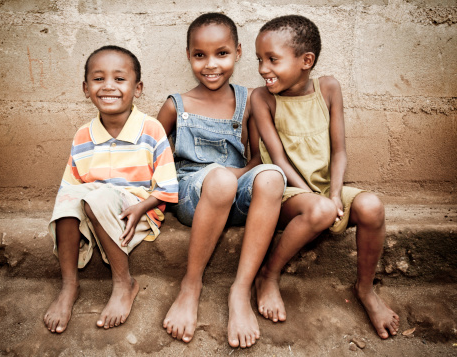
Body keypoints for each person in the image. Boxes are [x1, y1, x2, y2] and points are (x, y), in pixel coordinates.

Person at [251, 15, 400, 339]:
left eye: (272, 59)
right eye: (259, 59)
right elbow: (278, 159)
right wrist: (318, 199)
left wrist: (334, 195)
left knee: (372, 207)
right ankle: (269, 275)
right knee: (318, 210)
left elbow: (339, 151)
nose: (263, 68)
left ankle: (365, 290)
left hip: (324, 189)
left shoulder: (329, 88)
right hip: (288, 190)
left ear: (306, 61)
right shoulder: (262, 98)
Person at [157, 13, 286, 349]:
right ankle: (191, 286)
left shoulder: (248, 101)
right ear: (189, 56)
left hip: (235, 192)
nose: (210, 64)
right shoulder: (176, 106)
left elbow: (257, 160)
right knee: (218, 181)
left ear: (239, 52)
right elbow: (154, 161)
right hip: (192, 195)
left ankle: (240, 290)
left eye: (222, 53)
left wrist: (232, 175)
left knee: (272, 176)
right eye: (200, 55)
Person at [44, 45, 178, 334]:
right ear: (85, 87)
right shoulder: (83, 135)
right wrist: (77, 204)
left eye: (119, 79)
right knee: (68, 199)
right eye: (98, 78)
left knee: (97, 197)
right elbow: (72, 187)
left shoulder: (151, 129)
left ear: (137, 88)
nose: (108, 86)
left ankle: (123, 283)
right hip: (94, 209)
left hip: (138, 212)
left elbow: (168, 188)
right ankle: (69, 285)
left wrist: (142, 207)